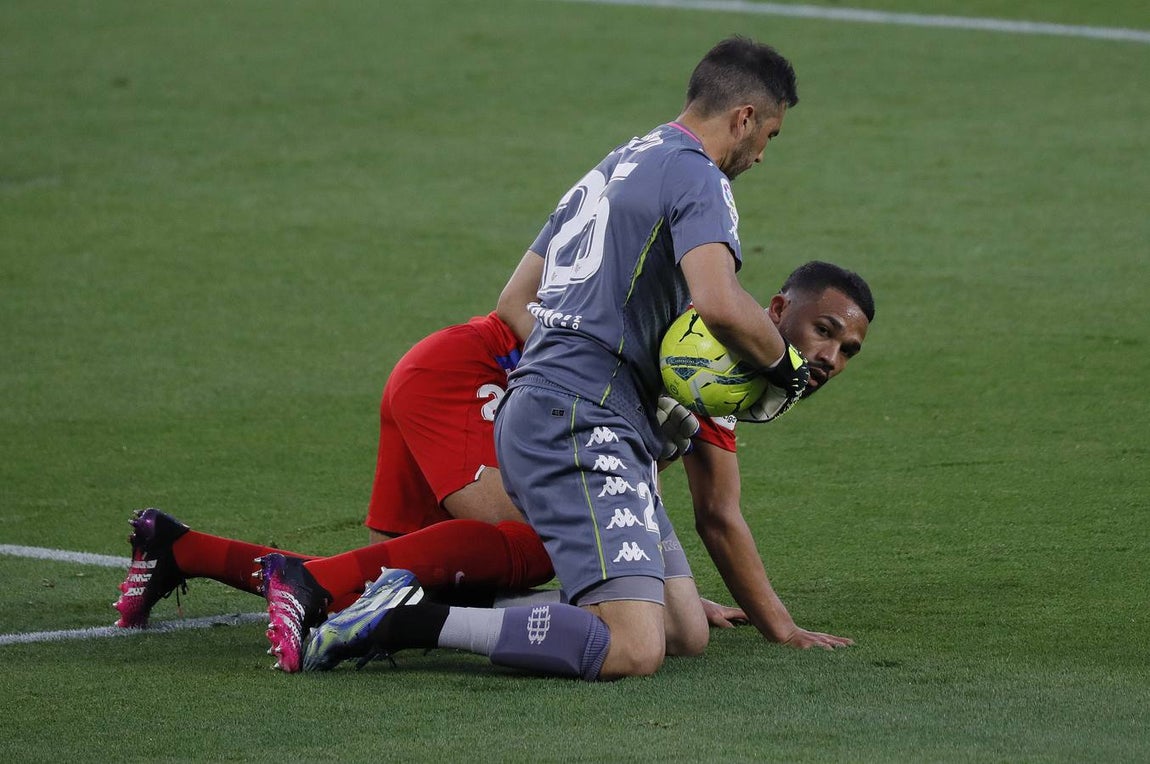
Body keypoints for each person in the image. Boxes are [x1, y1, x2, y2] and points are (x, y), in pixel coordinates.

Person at [299, 38, 873, 681]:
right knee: (634, 648)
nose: (763, 154)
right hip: (581, 418)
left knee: (682, 629)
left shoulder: (616, 165)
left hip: (568, 407)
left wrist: (614, 368)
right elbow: (718, 302)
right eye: (768, 134)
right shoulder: (698, 175)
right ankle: (408, 617)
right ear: (742, 117)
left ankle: (467, 607)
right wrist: (786, 372)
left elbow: (516, 301)